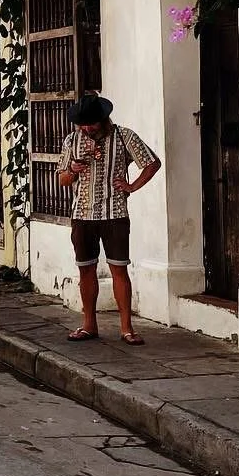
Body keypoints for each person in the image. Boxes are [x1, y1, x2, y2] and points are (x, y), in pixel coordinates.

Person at [57, 93, 161, 345]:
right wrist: (73, 170)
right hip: (82, 214)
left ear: (103, 119)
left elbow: (152, 163)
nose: (86, 128)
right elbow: (62, 178)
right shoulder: (72, 140)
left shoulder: (124, 136)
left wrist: (131, 186)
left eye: (91, 123)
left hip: (114, 213)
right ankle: (89, 325)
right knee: (86, 271)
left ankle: (126, 328)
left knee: (118, 269)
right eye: (83, 123)